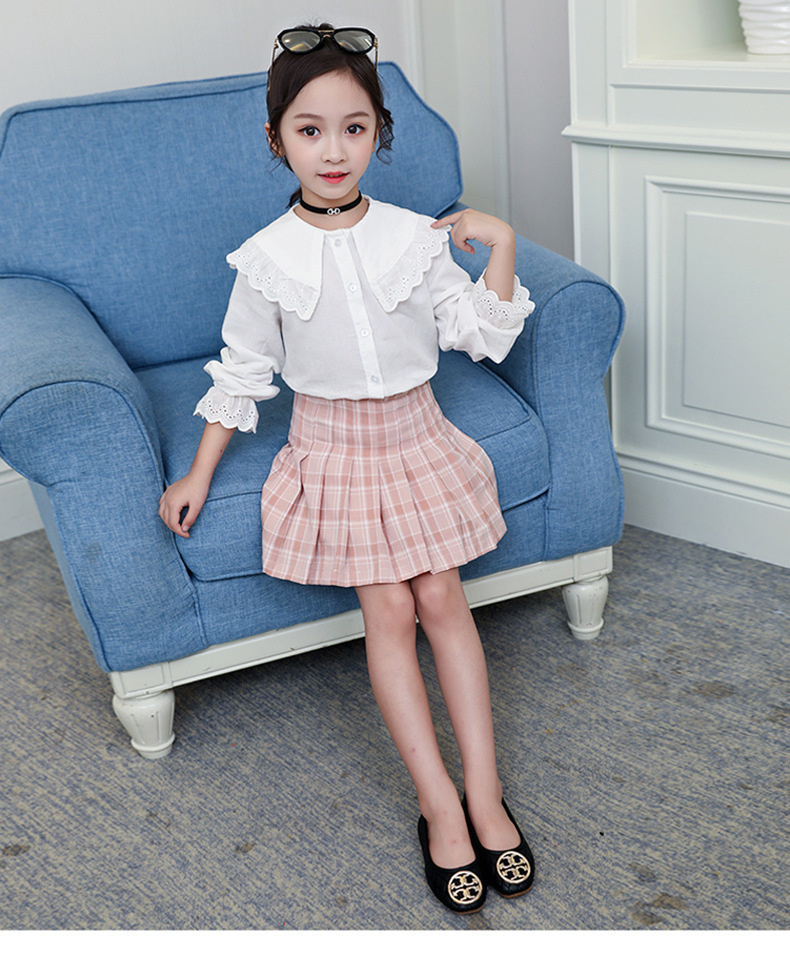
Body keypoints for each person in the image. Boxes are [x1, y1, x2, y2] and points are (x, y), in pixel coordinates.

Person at [159, 24, 536, 914]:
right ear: (277, 139)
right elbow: (242, 373)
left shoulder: (414, 238)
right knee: (391, 607)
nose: (334, 151)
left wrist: (503, 247)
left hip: (418, 435)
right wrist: (200, 474)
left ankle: (485, 794)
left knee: (443, 596)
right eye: (310, 130)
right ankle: (437, 803)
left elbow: (479, 337)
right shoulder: (265, 260)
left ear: (379, 134)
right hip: (332, 449)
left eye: (354, 128)